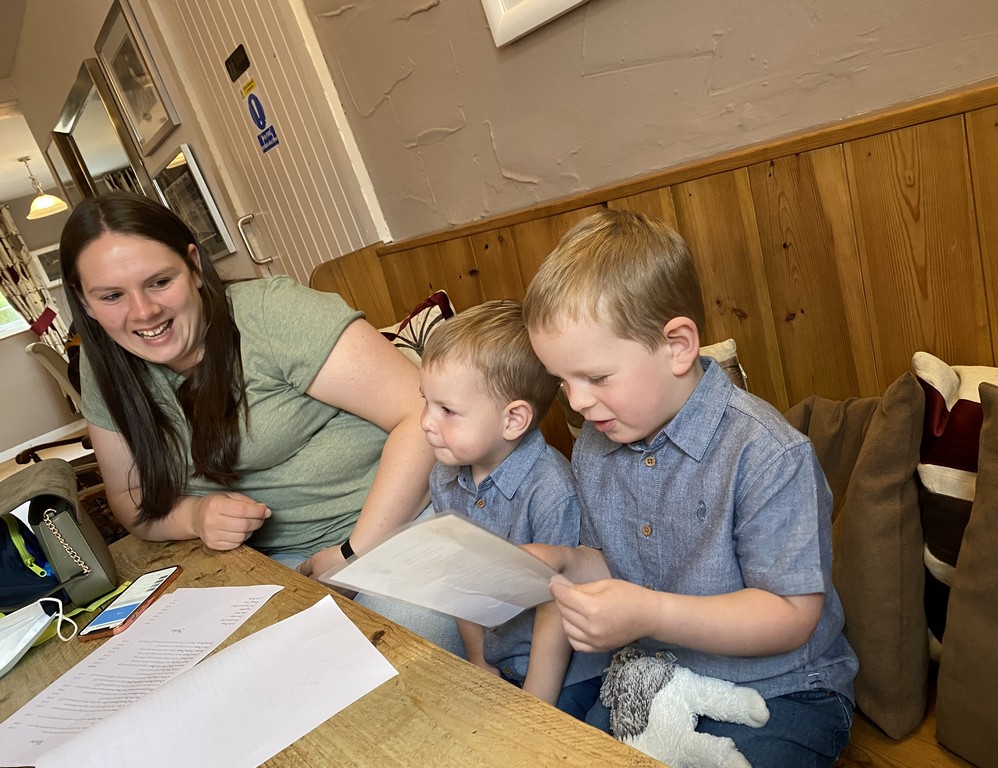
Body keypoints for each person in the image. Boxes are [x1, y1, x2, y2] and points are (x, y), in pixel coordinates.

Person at [520, 210, 858, 767]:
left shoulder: (768, 454)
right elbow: (616, 563)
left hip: (784, 689)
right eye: (563, 381)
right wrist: (567, 562)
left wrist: (650, 614)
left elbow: (790, 615)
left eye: (597, 378)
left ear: (677, 346)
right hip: (656, 681)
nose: (576, 402)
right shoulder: (596, 445)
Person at [59, 191, 461, 653]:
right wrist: (194, 515)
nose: (143, 312)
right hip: (271, 562)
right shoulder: (104, 369)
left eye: (159, 282)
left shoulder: (272, 313)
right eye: (112, 296)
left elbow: (425, 418)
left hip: (400, 524)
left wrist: (353, 553)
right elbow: (132, 500)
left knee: (399, 649)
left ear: (194, 266)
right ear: (84, 302)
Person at [419, 300, 606, 719]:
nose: (426, 423)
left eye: (446, 410)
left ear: (513, 420)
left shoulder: (551, 490)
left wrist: (534, 705)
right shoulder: (443, 477)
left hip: (566, 671)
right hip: (498, 656)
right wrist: (478, 659)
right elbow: (459, 578)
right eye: (425, 402)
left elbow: (559, 605)